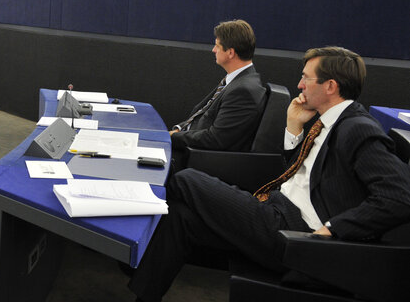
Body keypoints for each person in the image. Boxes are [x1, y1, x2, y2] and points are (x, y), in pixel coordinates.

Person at [128, 46, 410, 302]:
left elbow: (399, 196)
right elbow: (304, 173)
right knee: (180, 217)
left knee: (186, 179)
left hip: (294, 233)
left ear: (331, 86)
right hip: (274, 208)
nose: (299, 84)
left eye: (306, 78)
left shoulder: (358, 127)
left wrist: (335, 228)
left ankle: (125, 207)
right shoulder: (326, 122)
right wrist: (293, 128)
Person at [169, 19, 266, 155]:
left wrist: (172, 137)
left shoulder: (243, 91)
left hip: (197, 156)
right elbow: (201, 113)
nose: (213, 50)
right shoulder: (237, 80)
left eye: (217, 46)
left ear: (230, 53)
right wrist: (179, 129)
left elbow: (215, 139)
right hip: (187, 141)